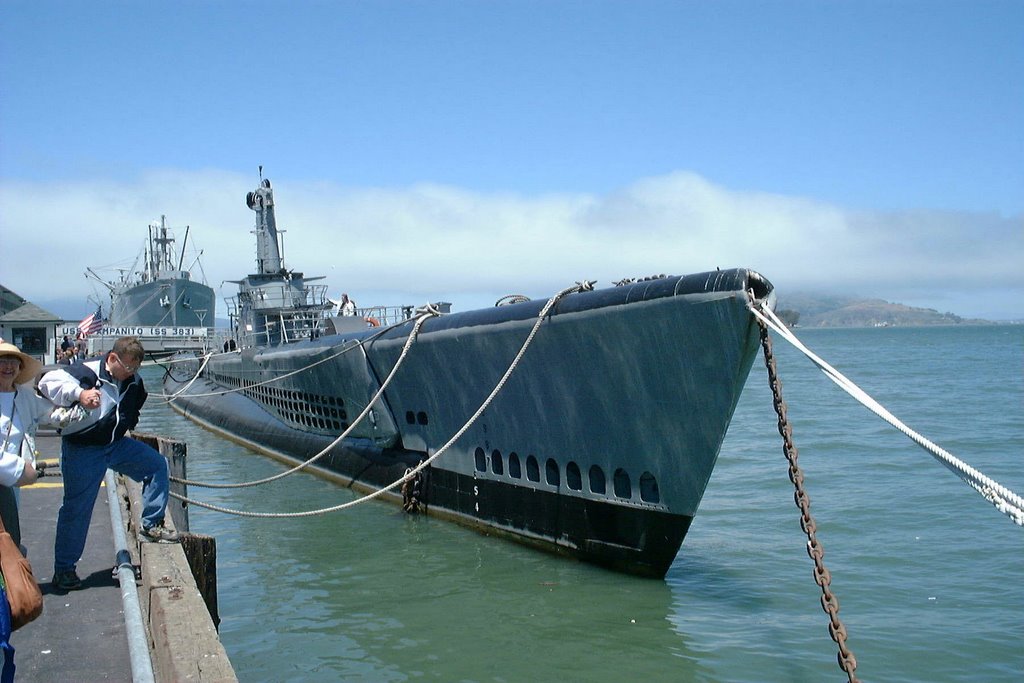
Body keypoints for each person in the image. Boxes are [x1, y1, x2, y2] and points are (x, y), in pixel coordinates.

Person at [38, 336, 178, 592]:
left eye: (135, 369)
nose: (131, 374)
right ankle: (64, 570)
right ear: (112, 359)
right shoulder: (86, 371)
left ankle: (151, 525)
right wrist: (80, 394)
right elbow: (47, 382)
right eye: (127, 368)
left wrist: (127, 422)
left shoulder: (134, 381)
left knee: (156, 465)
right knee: (76, 509)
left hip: (114, 444)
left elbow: (133, 408)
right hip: (82, 448)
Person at [0, 342, 47, 550]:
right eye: (2, 361)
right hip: (12, 471)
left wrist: (83, 401)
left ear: (20, 368)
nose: (8, 366)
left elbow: (53, 414)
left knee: (9, 538)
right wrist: (21, 470)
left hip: (10, 483)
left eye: (13, 361)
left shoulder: (25, 396)